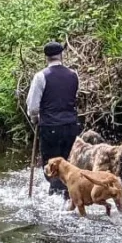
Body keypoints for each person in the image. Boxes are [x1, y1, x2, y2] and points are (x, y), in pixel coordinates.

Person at [26, 41, 79, 195]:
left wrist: (35, 119)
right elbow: (72, 97)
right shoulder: (74, 75)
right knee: (65, 163)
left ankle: (56, 197)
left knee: (50, 166)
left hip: (50, 127)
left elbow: (33, 107)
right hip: (71, 126)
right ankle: (67, 194)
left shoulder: (40, 76)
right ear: (61, 55)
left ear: (46, 57)